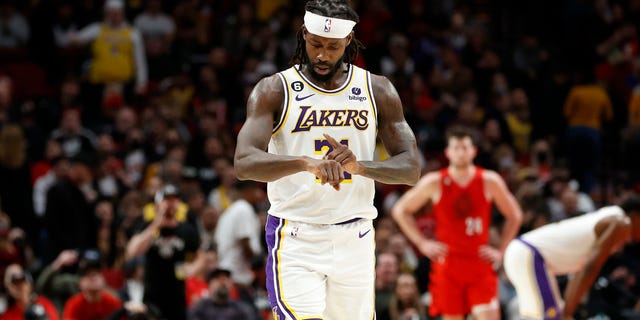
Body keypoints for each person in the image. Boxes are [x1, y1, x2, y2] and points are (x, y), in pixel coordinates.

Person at [233, 0, 421, 318]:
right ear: (303, 34)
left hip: (356, 235)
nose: (322, 55)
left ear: (348, 41)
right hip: (296, 235)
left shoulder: (377, 90)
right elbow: (244, 162)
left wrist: (361, 167)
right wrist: (305, 162)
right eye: (316, 44)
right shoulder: (274, 90)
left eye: (332, 47)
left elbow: (411, 168)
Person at [391, 126, 523, 320]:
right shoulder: (434, 181)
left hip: (479, 262)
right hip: (448, 264)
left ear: (474, 151)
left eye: (465, 147)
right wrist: (422, 243)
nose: (461, 152)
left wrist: (502, 251)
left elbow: (515, 215)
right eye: (456, 148)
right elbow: (400, 210)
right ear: (448, 152)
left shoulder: (489, 180)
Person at [503, 196, 640, 320]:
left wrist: (568, 310)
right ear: (635, 215)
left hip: (527, 254)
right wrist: (568, 311)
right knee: (552, 316)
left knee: (553, 315)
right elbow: (590, 268)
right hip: (530, 254)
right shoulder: (622, 223)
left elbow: (581, 272)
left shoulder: (613, 216)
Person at [125, 184, 200, 320]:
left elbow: (201, 254)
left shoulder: (186, 229)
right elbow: (133, 251)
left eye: (174, 199)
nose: (170, 204)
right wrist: (156, 224)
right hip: (152, 293)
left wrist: (193, 268)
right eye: (167, 200)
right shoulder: (147, 225)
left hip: (177, 294)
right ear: (158, 204)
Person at [187, 268, 258, 320]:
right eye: (217, 278)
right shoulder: (200, 308)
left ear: (231, 285)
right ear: (209, 284)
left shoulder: (242, 309)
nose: (222, 281)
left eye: (226, 278)